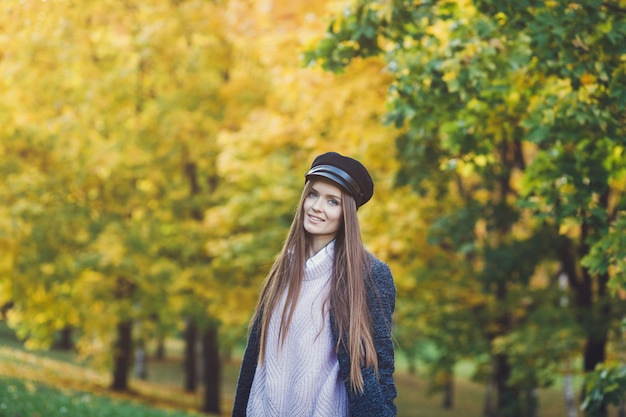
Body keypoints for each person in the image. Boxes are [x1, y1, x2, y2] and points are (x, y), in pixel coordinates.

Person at [232, 152, 397, 417]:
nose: (317, 207)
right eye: (313, 194)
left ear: (348, 213)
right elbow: (254, 362)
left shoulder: (370, 275)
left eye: (332, 201)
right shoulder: (283, 269)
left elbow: (382, 368)